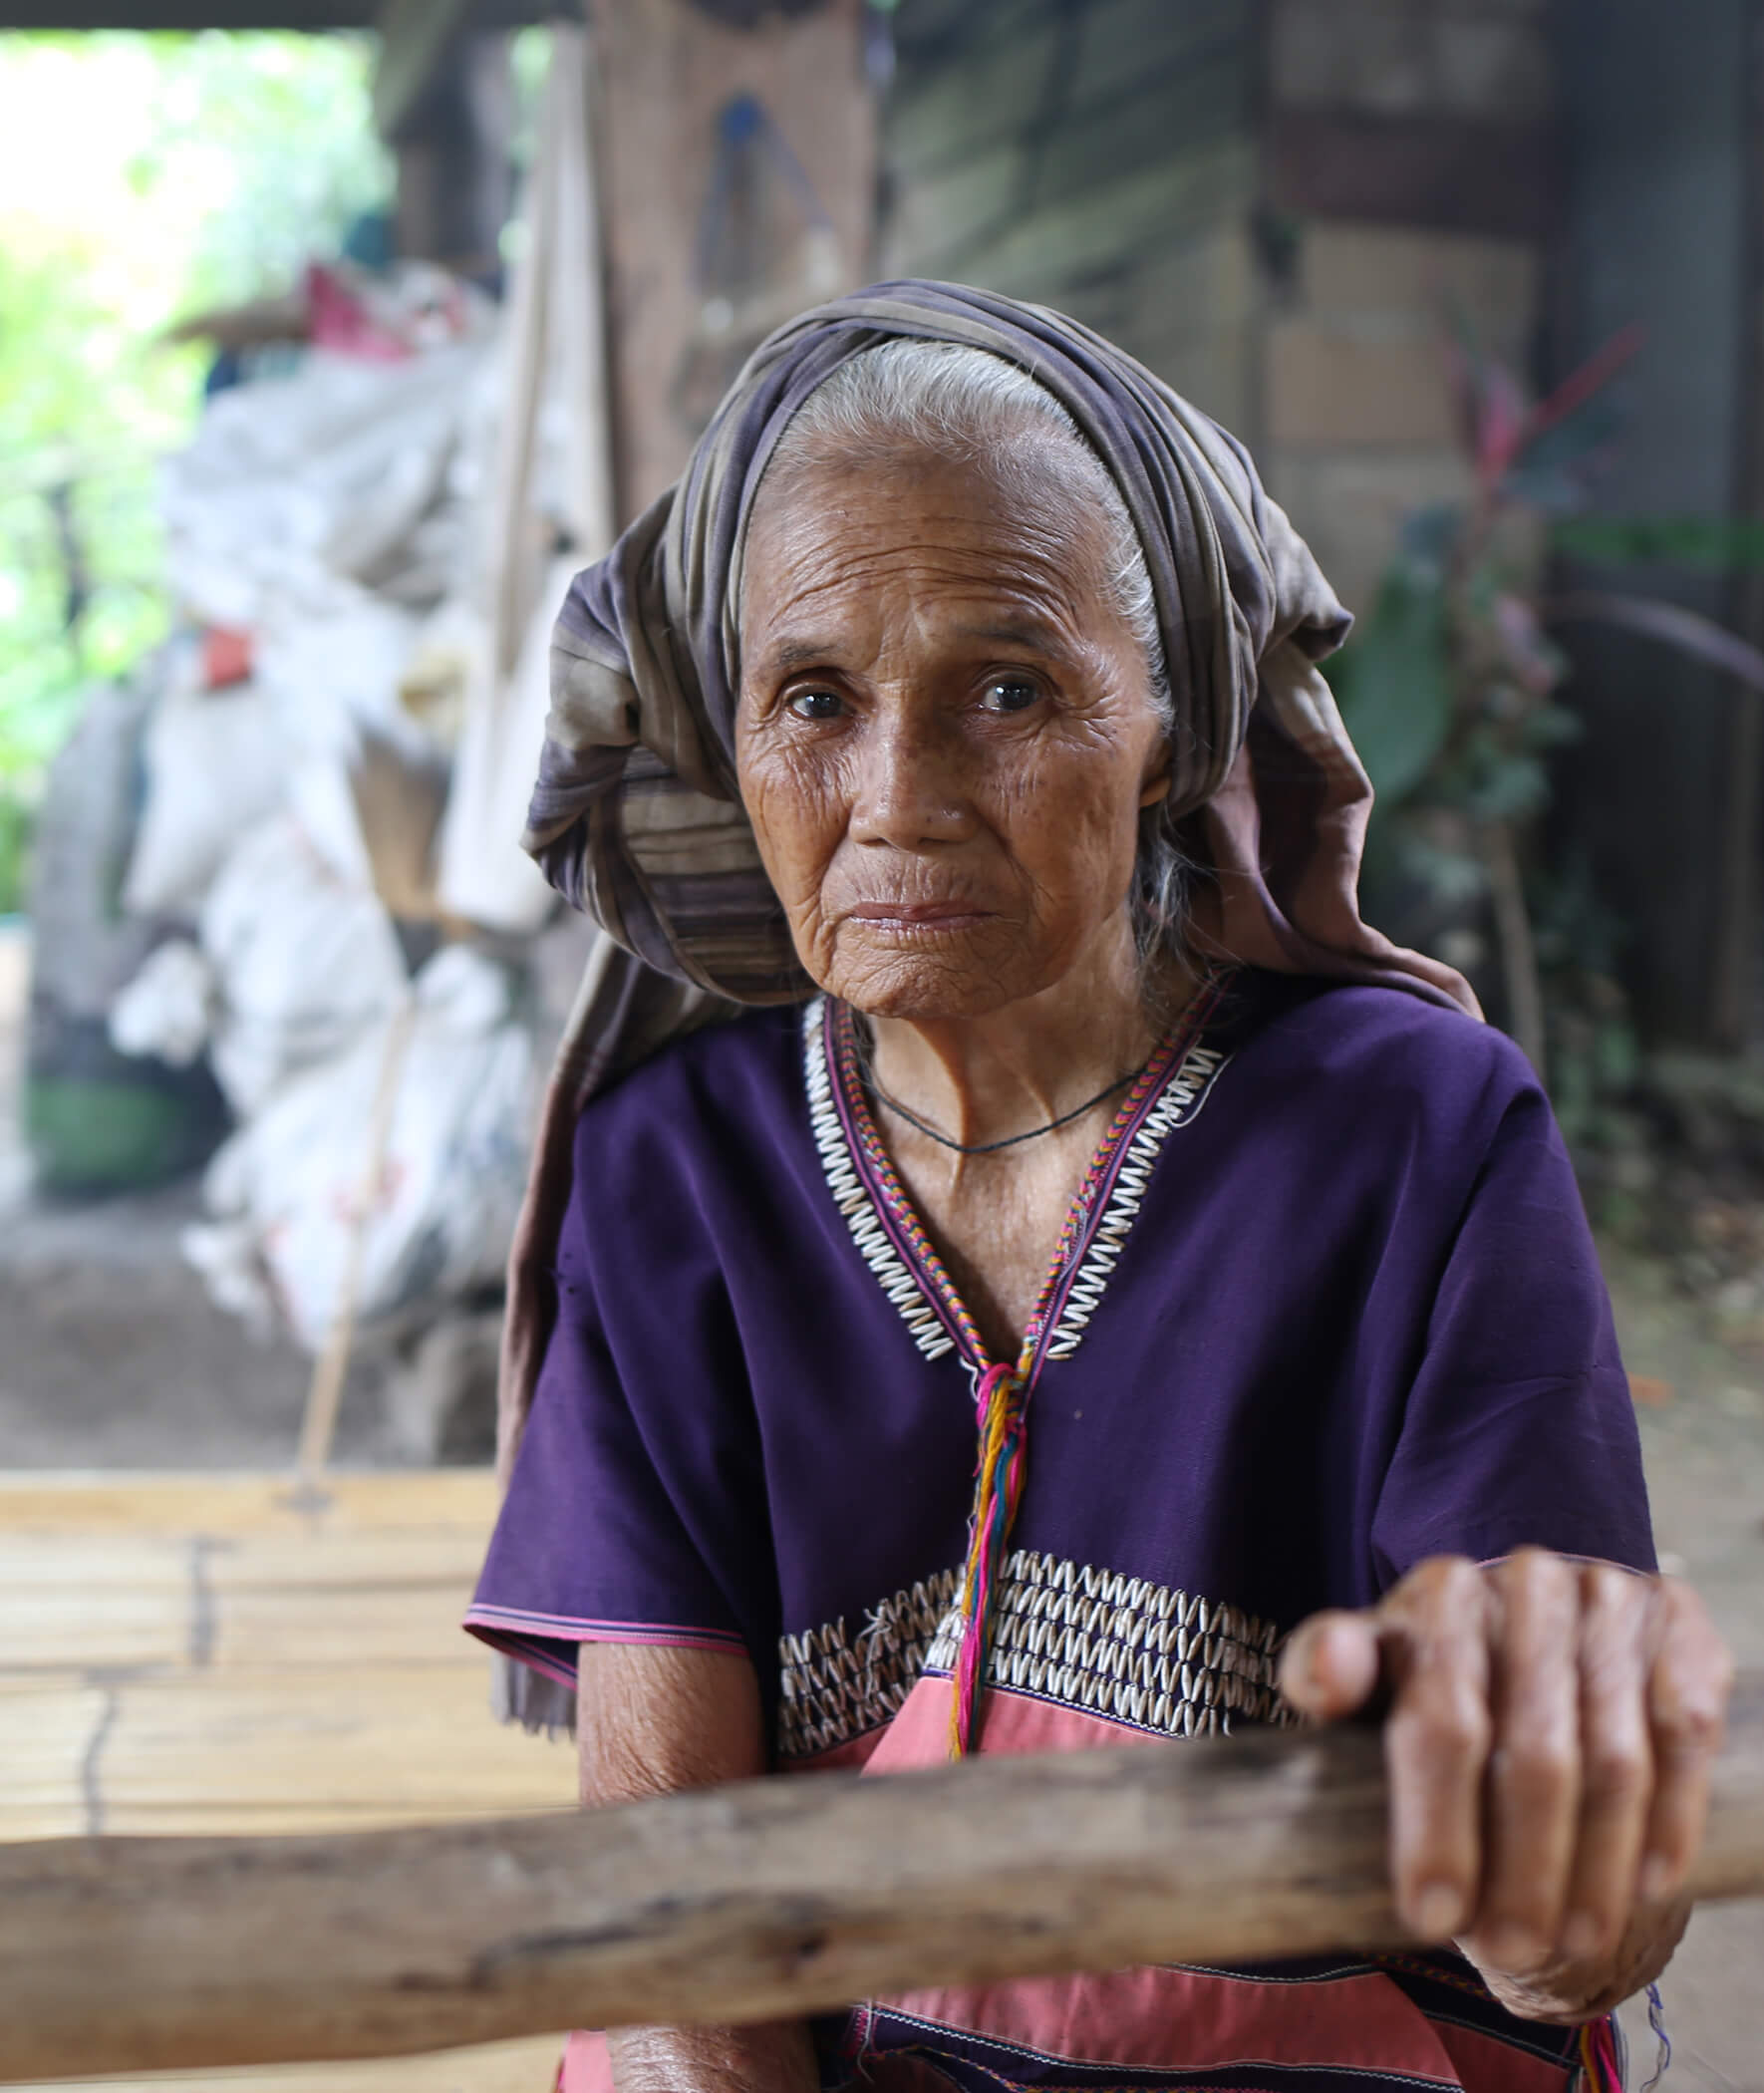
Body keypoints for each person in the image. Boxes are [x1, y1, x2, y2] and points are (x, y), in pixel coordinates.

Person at [466, 283, 1733, 2093]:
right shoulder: (684, 1171)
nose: (899, 795)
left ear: (1168, 733)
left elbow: (1562, 1935)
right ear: (732, 747)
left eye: (1008, 687)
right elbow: (671, 1914)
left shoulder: (1412, 1132)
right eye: (812, 698)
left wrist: (1553, 1851)